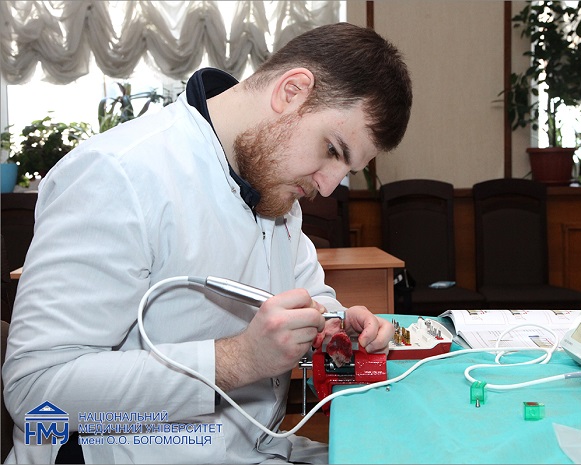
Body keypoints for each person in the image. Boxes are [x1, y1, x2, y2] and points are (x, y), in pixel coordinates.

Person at [2, 22, 412, 464]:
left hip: (256, 448)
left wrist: (333, 326)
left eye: (346, 169)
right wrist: (237, 360)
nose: (328, 187)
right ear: (291, 91)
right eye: (332, 150)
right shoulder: (118, 174)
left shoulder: (275, 187)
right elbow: (34, 391)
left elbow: (310, 295)